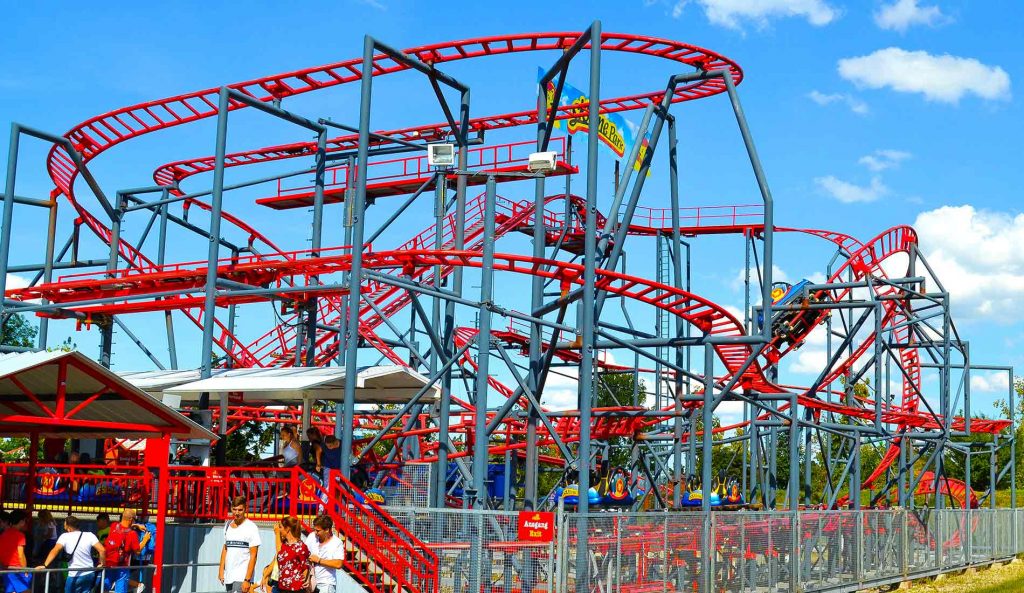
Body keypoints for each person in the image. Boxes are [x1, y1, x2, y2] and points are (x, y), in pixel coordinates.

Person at [36, 515, 105, 593]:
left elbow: (55, 550)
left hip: (74, 574)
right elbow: (102, 550)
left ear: (68, 527)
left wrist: (45, 565)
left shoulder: (64, 536)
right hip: (89, 573)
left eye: (65, 525)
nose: (64, 528)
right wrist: (101, 564)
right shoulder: (89, 535)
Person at [218, 496, 260, 593]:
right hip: (229, 576)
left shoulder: (251, 527)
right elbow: (225, 548)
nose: (237, 513)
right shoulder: (228, 525)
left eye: (240, 510)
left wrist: (247, 580)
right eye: (234, 509)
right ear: (231, 509)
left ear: (245, 509)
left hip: (241, 578)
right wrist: (221, 570)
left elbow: (254, 555)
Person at [103, 509, 141, 593]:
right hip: (122, 566)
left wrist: (135, 525)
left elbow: (123, 526)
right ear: (131, 520)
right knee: (120, 589)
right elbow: (137, 551)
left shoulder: (114, 526)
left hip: (109, 563)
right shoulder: (132, 534)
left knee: (105, 588)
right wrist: (145, 539)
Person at [304, 515, 343, 593]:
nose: (315, 532)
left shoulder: (337, 542)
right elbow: (304, 553)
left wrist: (319, 560)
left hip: (326, 584)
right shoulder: (312, 536)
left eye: (318, 530)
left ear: (327, 530)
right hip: (309, 582)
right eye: (314, 530)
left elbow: (338, 564)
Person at [273, 517, 309, 593]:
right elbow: (279, 551)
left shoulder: (301, 546)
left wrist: (305, 578)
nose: (279, 529)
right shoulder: (285, 545)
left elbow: (306, 566)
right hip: (283, 587)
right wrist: (277, 534)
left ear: (287, 529)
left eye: (281, 527)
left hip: (296, 588)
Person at [0, 510, 31, 593]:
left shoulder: (3, 534)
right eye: (25, 521)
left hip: (6, 568)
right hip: (17, 569)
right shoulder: (20, 535)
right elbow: (21, 555)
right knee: (26, 591)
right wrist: (25, 570)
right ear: (21, 521)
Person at [128, 512, 156, 593]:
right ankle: (137, 586)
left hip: (135, 556)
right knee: (121, 575)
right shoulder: (152, 527)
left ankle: (138, 585)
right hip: (145, 557)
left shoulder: (136, 526)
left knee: (120, 575)